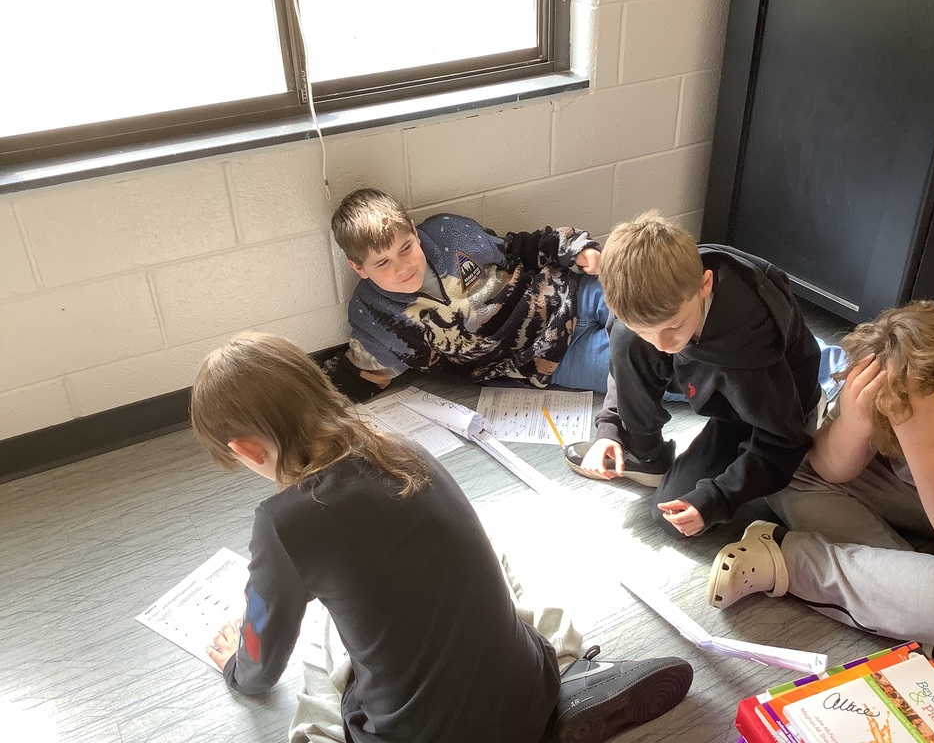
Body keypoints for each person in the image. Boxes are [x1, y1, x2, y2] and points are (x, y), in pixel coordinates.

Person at [190, 332, 694, 743]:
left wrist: (239, 664)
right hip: (530, 688)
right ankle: (566, 690)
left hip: (415, 734)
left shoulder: (282, 522)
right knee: (494, 568)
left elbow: (262, 662)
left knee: (322, 656)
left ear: (247, 449)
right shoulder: (404, 447)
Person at [706, 301, 934, 706]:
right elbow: (826, 468)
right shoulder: (900, 349)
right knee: (784, 473)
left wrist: (924, 446)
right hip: (933, 500)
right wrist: (854, 426)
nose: (898, 436)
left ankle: (797, 563)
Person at [566, 211, 823, 537]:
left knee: (673, 516)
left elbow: (783, 442)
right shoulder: (661, 300)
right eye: (648, 331)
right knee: (626, 340)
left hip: (772, 415)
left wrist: (716, 498)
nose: (662, 344)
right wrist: (611, 428)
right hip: (715, 383)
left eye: (673, 327)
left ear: (705, 284)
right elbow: (631, 354)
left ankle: (811, 415)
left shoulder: (747, 356)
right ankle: (643, 452)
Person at [325, 188, 611, 402]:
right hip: (546, 355)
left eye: (405, 248)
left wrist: (572, 248)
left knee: (649, 313)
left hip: (568, 292)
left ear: (414, 230)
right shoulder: (373, 315)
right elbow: (358, 377)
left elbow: (517, 247)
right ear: (358, 267)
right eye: (383, 263)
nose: (403, 268)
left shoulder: (449, 232)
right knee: (635, 374)